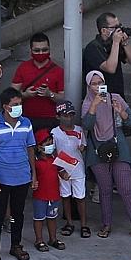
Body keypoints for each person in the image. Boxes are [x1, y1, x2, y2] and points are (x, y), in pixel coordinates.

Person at [81, 70, 131, 242]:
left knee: (126, 188)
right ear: (88, 86)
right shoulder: (87, 102)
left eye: (99, 82)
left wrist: (121, 112)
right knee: (105, 190)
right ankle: (106, 224)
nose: (97, 87)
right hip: (97, 151)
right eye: (93, 84)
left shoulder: (115, 97)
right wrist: (94, 106)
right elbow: (87, 125)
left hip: (119, 148)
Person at [0, 88, 37, 260]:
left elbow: (30, 149)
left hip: (22, 177)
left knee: (17, 215)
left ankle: (16, 245)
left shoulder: (26, 123)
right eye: (15, 105)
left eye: (20, 104)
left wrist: (33, 174)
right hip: (2, 180)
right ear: (5, 107)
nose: (19, 107)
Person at [11, 32, 64, 132]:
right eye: (37, 50)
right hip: (26, 118)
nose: (40, 53)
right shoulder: (23, 68)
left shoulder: (58, 71)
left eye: (44, 50)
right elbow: (10, 94)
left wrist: (49, 94)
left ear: (49, 49)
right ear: (31, 51)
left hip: (51, 119)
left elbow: (62, 98)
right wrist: (25, 95)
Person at [50, 101, 88, 239]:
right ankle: (69, 222)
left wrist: (83, 148)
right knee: (65, 197)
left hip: (78, 169)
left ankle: (84, 225)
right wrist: (60, 170)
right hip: (63, 170)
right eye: (65, 115)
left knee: (80, 198)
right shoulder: (54, 133)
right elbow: (51, 153)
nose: (69, 118)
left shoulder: (79, 130)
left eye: (71, 115)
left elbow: (83, 146)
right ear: (58, 116)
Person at [83, 13, 131, 99]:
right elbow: (110, 68)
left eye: (120, 26)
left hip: (118, 94)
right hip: (100, 96)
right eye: (115, 27)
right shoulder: (93, 47)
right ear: (104, 30)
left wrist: (125, 44)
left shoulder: (114, 43)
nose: (119, 30)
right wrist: (116, 43)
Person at [29, 134, 66, 251]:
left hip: (54, 195)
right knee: (39, 218)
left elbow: (61, 171)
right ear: (39, 147)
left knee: (52, 217)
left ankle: (53, 238)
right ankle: (39, 240)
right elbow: (31, 176)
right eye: (47, 144)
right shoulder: (35, 162)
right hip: (40, 195)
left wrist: (65, 175)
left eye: (51, 144)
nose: (51, 146)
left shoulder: (55, 158)